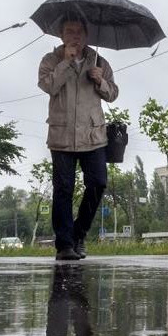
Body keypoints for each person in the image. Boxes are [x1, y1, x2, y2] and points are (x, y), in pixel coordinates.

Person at [38, 15, 119, 261]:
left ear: (86, 35)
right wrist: (66, 62)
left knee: (98, 183)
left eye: (79, 32)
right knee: (63, 189)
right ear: (61, 35)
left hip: (93, 135)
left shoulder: (99, 61)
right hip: (61, 135)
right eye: (69, 32)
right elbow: (48, 86)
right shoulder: (51, 60)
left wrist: (100, 80)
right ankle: (64, 245)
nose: (75, 36)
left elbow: (113, 94)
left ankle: (78, 234)